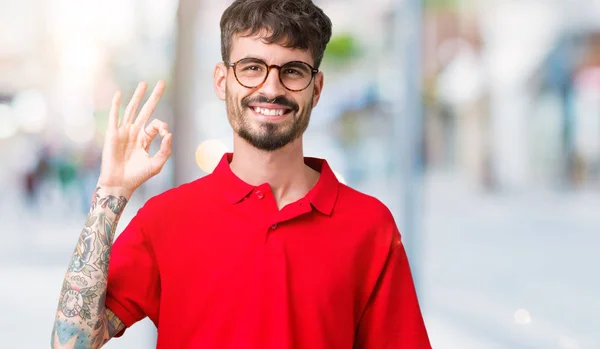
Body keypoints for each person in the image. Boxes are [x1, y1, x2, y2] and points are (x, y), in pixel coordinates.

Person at [51, 0, 432, 348]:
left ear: (316, 89)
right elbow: (72, 343)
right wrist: (110, 194)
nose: (271, 88)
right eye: (251, 68)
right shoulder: (166, 219)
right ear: (222, 80)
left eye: (293, 71)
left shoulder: (369, 226)